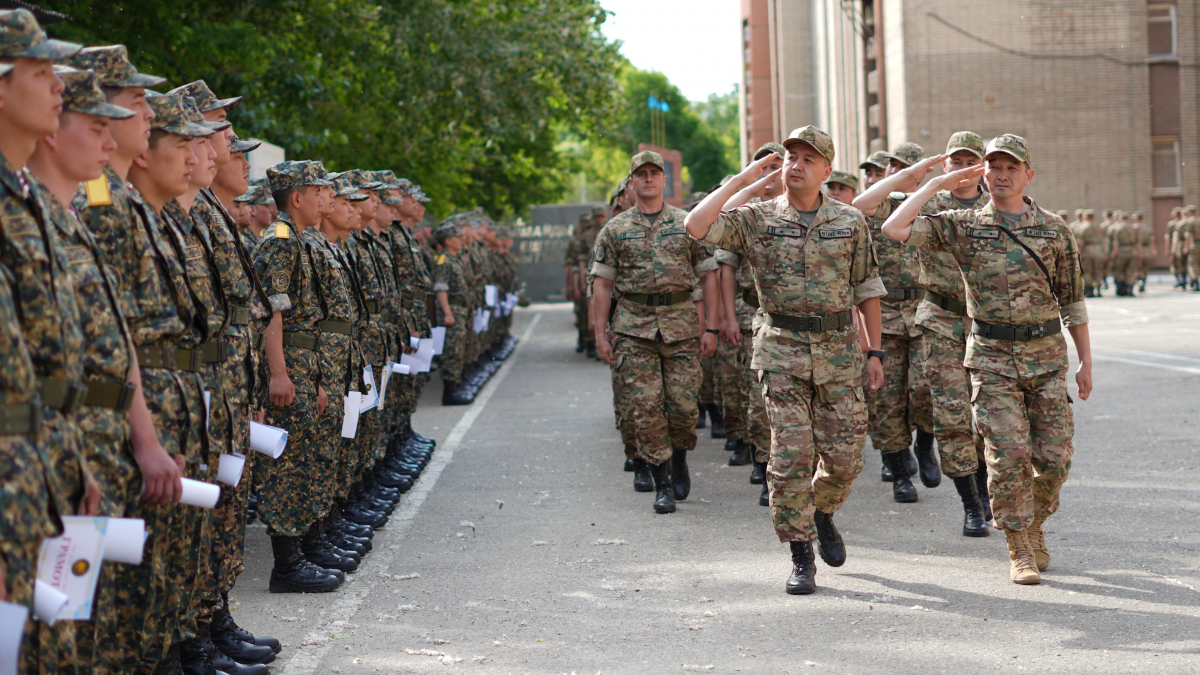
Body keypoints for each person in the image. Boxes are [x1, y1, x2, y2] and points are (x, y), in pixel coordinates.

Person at [879, 133, 1092, 585]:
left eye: (1011, 167)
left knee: (1054, 459)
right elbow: (893, 229)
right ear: (983, 173)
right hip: (992, 358)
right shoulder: (964, 224)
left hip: (1045, 357)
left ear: (1028, 175)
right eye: (994, 167)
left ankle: (1034, 520)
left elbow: (1072, 299)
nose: (1001, 174)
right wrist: (935, 186)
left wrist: (1085, 361)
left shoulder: (1053, 230)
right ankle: (1018, 545)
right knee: (1007, 453)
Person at [685, 126, 884, 595]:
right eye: (791, 156)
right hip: (781, 349)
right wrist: (743, 180)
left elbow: (867, 289)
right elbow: (695, 226)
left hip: (837, 350)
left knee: (845, 456)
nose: (797, 164)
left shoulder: (849, 222)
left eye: (808, 158)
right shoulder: (756, 218)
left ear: (827, 170)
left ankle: (823, 511)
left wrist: (873, 350)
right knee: (792, 455)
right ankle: (800, 554)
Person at [0, 11, 97, 673]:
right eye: (39, 71)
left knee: (51, 650)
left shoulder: (28, 199)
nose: (57, 83)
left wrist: (73, 459)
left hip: (39, 468)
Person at [851, 131, 993, 535]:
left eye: (972, 161)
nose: (964, 168)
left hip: (984, 326)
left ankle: (979, 485)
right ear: (944, 164)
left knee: (980, 414)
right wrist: (915, 178)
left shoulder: (994, 205)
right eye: (956, 160)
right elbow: (862, 207)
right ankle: (959, 498)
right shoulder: (924, 203)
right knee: (923, 407)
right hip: (933, 318)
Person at [592, 150, 719, 515]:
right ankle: (661, 481)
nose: (648, 179)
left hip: (680, 325)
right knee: (646, 408)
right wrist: (601, 334)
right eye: (641, 174)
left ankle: (679, 456)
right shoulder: (614, 230)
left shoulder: (686, 223)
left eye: (654, 173)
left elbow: (708, 274)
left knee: (682, 406)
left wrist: (710, 326)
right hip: (633, 327)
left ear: (665, 181)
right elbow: (602, 285)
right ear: (631, 182)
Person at [253, 160, 345, 594]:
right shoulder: (281, 240)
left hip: (308, 365)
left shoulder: (302, 240)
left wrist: (321, 379)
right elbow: (271, 309)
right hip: (290, 364)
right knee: (286, 467)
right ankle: (286, 565)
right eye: (318, 189)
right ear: (297, 197)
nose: (326, 195)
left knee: (306, 459)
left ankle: (304, 548)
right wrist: (277, 372)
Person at [850, 142, 937, 501]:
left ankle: (926, 443)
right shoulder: (880, 205)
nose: (899, 171)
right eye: (895, 166)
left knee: (926, 389)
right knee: (886, 400)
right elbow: (861, 204)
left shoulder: (935, 207)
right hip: (883, 315)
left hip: (923, 312)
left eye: (908, 166)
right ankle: (900, 471)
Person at [715, 142, 785, 503]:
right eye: (764, 167)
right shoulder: (747, 213)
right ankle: (763, 465)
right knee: (757, 396)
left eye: (778, 166)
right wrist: (727, 317)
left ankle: (786, 471)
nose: (771, 175)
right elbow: (726, 269)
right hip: (752, 314)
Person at [1108, 211, 1140, 297]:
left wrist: (1113, 254)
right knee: (1131, 270)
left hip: (1121, 251)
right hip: (1132, 251)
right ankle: (1130, 289)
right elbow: (1137, 242)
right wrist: (1138, 253)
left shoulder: (1118, 228)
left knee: (1119, 270)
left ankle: (1121, 289)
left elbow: (1116, 243)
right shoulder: (1134, 228)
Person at [1165, 207, 1185, 289]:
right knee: (1184, 264)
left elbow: (1168, 238)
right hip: (1184, 246)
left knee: (1173, 264)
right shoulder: (1184, 223)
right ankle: (1184, 280)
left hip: (1176, 246)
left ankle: (1179, 280)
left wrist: (1167, 249)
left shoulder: (1172, 224)